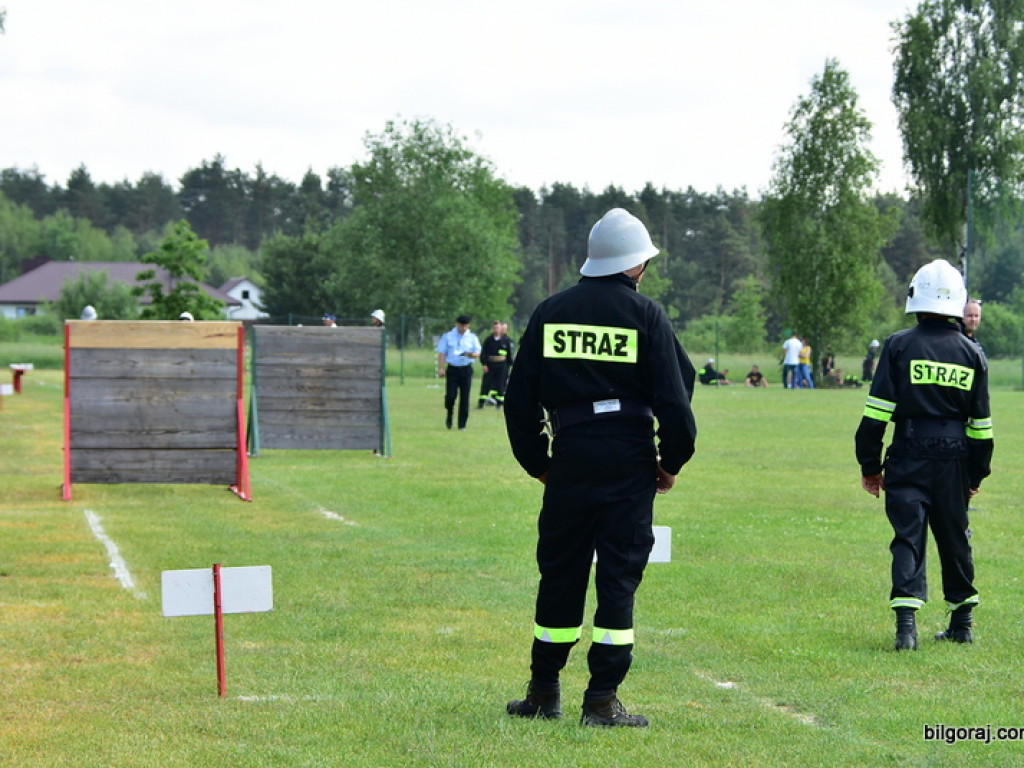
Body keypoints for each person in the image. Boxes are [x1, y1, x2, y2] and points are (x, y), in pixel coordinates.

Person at [503, 208, 698, 728]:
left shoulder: (549, 312)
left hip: (569, 454)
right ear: (638, 265)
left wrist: (539, 464)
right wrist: (669, 461)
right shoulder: (647, 315)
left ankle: (543, 691)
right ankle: (602, 700)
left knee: (560, 573)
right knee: (617, 580)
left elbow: (518, 400)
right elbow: (680, 393)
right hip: (629, 459)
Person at [855, 259, 993, 652]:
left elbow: (876, 413)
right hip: (954, 458)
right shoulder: (971, 353)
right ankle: (962, 624)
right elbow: (981, 426)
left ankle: (906, 631)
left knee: (908, 538)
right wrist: (975, 475)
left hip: (908, 452)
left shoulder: (898, 345)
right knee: (955, 538)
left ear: (916, 297)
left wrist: (869, 466)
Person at [436, 315, 481, 430]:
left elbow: (477, 352)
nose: (463, 328)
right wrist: (441, 368)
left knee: (465, 398)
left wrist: (472, 354)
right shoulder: (448, 336)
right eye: (462, 325)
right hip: (453, 369)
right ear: (457, 324)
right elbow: (442, 353)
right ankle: (449, 414)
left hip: (466, 369)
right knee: (451, 396)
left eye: (466, 325)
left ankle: (462, 424)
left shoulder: (472, 337)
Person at [478, 320, 515, 409]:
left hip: (502, 365)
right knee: (486, 383)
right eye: (494, 328)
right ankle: (481, 402)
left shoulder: (506, 340)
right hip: (490, 364)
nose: (496, 329)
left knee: (500, 384)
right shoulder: (488, 340)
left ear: (500, 328)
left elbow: (509, 354)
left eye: (498, 328)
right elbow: (484, 353)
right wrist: (484, 364)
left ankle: (499, 404)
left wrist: (510, 365)